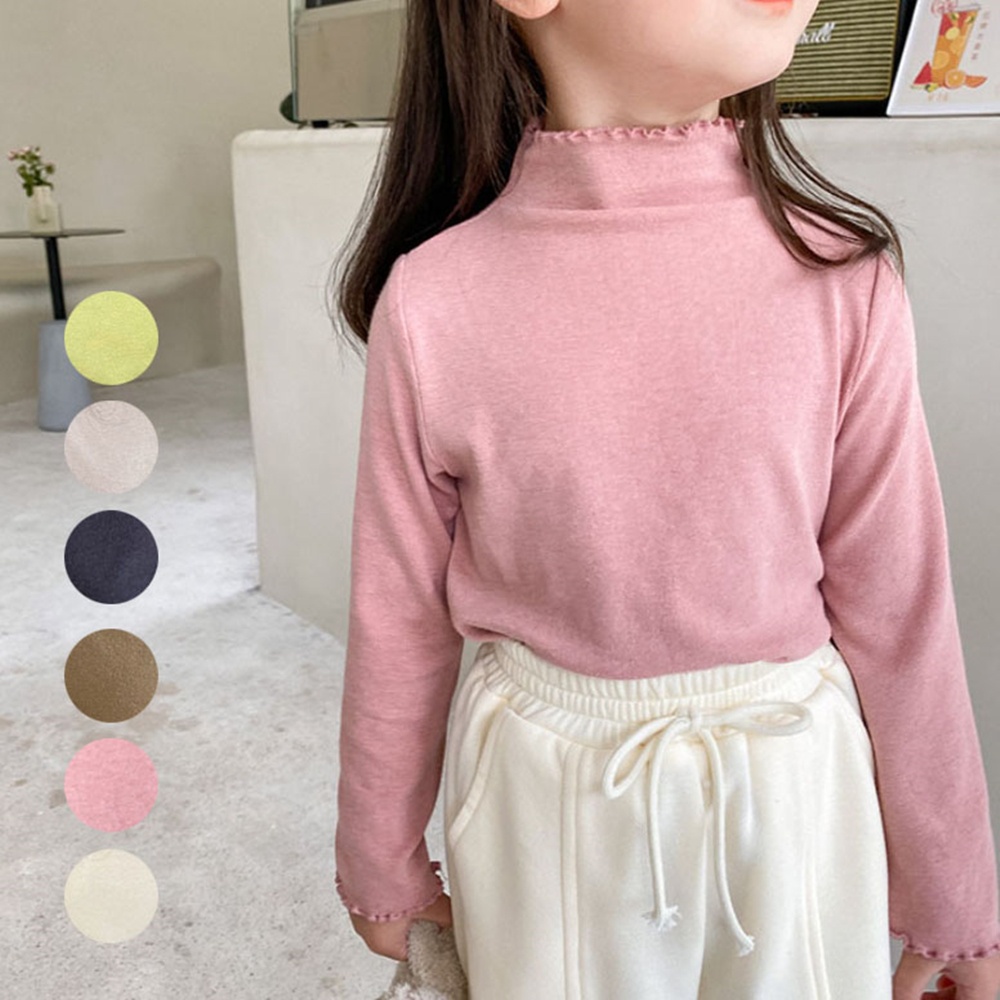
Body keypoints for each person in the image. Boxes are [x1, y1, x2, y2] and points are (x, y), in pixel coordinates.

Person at [328, 0, 1000, 997]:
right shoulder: (432, 302)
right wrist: (378, 854)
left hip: (798, 796)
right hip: (540, 804)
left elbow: (901, 608)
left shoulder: (840, 279)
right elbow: (398, 615)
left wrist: (953, 889)